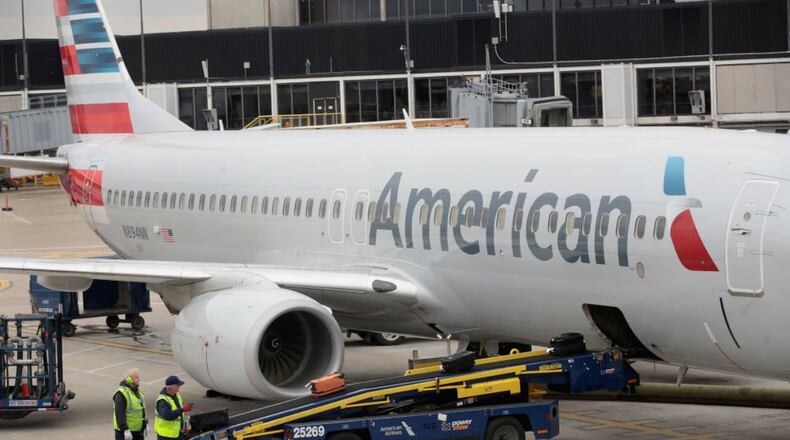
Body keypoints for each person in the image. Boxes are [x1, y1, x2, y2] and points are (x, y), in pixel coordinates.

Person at [154, 375, 193, 440]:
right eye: (178, 385)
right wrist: (182, 409)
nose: (179, 387)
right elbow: (167, 415)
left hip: (177, 434)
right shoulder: (162, 400)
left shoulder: (177, 395)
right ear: (172, 388)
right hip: (166, 436)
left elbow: (179, 415)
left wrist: (184, 426)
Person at [113, 368, 147, 440]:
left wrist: (145, 424)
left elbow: (141, 409)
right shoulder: (121, 394)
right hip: (125, 433)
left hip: (138, 432)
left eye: (139, 377)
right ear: (129, 379)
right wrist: (125, 430)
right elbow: (120, 413)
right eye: (136, 377)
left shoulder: (137, 392)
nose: (139, 379)